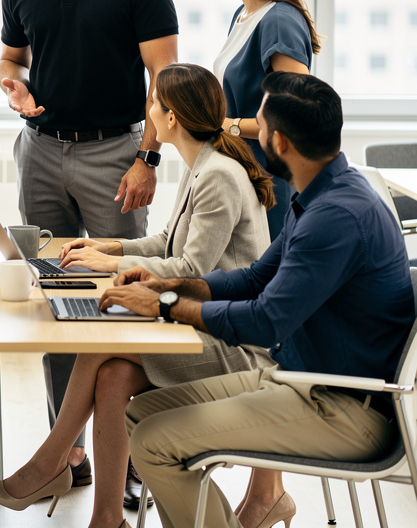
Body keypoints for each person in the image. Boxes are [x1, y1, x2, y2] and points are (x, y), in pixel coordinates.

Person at [0, 63, 277, 528]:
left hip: (228, 344)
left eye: (153, 104)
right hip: (196, 324)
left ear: (171, 117)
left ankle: (50, 461)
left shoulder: (218, 173)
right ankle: (106, 518)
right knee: (113, 376)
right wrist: (108, 245)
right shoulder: (206, 161)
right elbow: (168, 245)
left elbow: (192, 269)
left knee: (103, 343)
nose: (148, 111)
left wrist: (110, 265)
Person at [110, 72, 415, 528]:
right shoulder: (320, 195)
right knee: (142, 413)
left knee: (155, 441)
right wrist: (164, 287)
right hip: (302, 381)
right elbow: (254, 279)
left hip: (346, 409)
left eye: (258, 124)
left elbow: (266, 321)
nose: (247, 131)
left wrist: (166, 308)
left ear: (281, 142)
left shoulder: (336, 216)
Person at [0, 0, 179, 496]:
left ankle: (125, 462)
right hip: (41, 151)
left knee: (120, 299)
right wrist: (12, 88)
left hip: (115, 153)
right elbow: (10, 59)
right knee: (56, 299)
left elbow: (164, 81)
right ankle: (66, 452)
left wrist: (148, 158)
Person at [205, 0, 321, 239]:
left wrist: (228, 126)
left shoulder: (279, 21)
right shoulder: (243, 15)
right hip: (242, 174)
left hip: (269, 182)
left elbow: (295, 119)